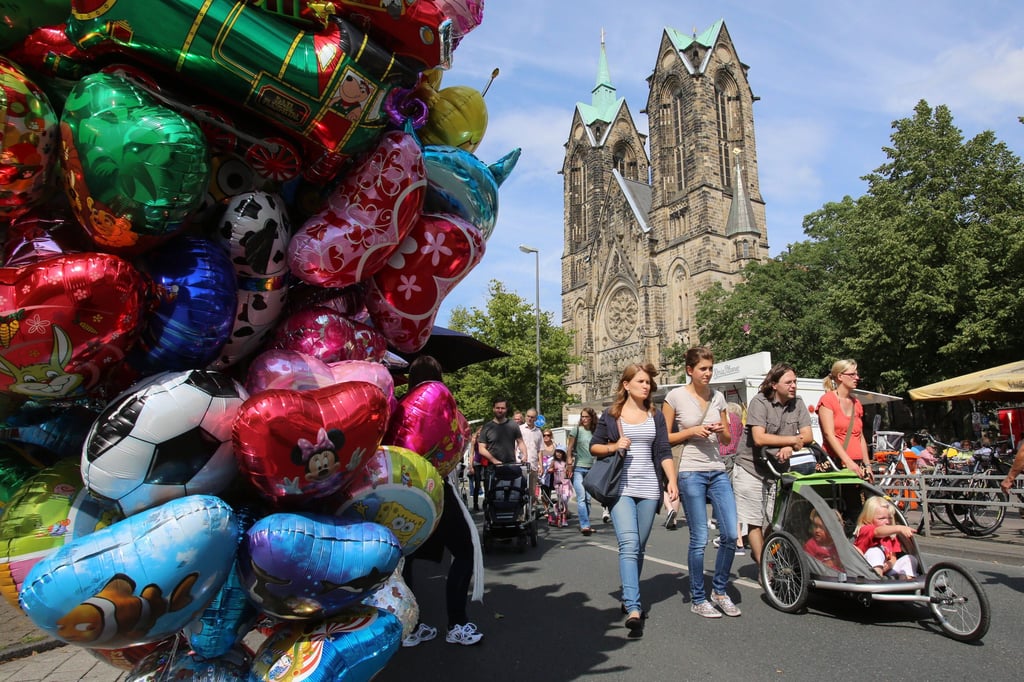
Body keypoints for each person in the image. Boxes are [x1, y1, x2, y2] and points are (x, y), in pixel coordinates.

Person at [400, 355, 484, 647]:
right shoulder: (439, 402)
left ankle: (410, 627)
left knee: (406, 559)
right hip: (436, 487)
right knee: (464, 550)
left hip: (403, 490)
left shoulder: (400, 407)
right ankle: (457, 623)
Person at [590, 362, 678, 632]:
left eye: (648, 382)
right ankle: (634, 606)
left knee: (638, 546)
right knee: (628, 544)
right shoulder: (611, 415)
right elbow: (595, 447)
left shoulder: (655, 415)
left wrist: (672, 481)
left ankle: (629, 594)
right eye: (640, 381)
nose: (646, 386)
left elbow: (663, 450)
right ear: (626, 385)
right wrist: (614, 446)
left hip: (649, 487)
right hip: (621, 487)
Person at [663, 347, 740, 618]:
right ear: (690, 370)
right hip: (690, 471)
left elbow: (728, 438)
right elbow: (664, 438)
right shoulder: (675, 397)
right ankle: (698, 598)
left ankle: (719, 591)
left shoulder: (718, 397)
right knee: (699, 538)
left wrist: (720, 431)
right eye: (702, 369)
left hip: (717, 469)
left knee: (731, 534)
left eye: (710, 368)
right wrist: (691, 431)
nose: (708, 373)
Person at [734, 363, 814, 569]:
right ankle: (764, 568)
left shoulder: (798, 403)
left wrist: (789, 445)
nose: (793, 386)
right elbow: (759, 438)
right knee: (754, 519)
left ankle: (762, 555)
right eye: (788, 382)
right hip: (751, 467)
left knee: (775, 519)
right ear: (774, 384)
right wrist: (791, 440)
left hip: (776, 470)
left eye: (795, 381)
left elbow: (808, 435)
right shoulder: (760, 402)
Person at [818, 359, 871, 480]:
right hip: (835, 464)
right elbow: (829, 434)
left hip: (857, 465)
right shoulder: (828, 400)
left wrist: (867, 465)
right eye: (852, 374)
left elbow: (860, 436)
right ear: (840, 376)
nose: (857, 378)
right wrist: (848, 461)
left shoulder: (856, 403)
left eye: (857, 374)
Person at [854, 496, 918, 578]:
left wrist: (889, 564)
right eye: (881, 518)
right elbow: (877, 531)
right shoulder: (866, 529)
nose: (887, 522)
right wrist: (898, 528)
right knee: (875, 551)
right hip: (866, 568)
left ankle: (905, 581)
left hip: (887, 569)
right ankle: (876, 579)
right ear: (868, 518)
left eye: (890, 518)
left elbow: (893, 557)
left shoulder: (890, 535)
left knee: (910, 559)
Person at [566, 407, 598, 535]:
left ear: (592, 418)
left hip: (592, 469)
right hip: (578, 468)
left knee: (588, 499)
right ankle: (585, 525)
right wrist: (569, 463)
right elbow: (569, 448)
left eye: (586, 417)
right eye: (582, 417)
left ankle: (586, 523)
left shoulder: (596, 431)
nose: (584, 419)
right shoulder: (576, 430)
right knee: (581, 497)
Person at [519, 408, 543, 506]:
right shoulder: (519, 429)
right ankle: (521, 511)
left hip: (533, 465)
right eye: (528, 416)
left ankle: (530, 510)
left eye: (532, 417)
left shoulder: (538, 432)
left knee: (532, 491)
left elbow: (540, 450)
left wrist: (541, 465)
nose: (529, 418)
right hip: (520, 464)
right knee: (520, 489)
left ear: (536, 419)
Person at [546, 446, 572, 527]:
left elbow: (570, 471)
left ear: (563, 454)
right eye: (557, 452)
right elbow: (549, 469)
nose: (559, 454)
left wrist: (568, 471)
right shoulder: (554, 462)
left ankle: (558, 508)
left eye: (561, 452)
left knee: (565, 499)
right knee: (561, 499)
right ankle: (562, 518)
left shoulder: (565, 462)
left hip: (566, 483)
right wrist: (552, 470)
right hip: (558, 483)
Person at [467, 426, 487, 512]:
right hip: (477, 463)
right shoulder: (474, 441)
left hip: (485, 463)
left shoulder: (487, 439)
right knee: (477, 484)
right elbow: (471, 453)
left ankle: (486, 503)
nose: (480, 433)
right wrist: (471, 465)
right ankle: (475, 504)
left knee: (487, 484)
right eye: (479, 432)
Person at [539, 428, 558, 515]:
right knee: (544, 491)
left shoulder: (555, 445)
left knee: (550, 489)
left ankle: (556, 506)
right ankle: (546, 509)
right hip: (543, 471)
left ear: (551, 436)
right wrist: (540, 467)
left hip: (552, 470)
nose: (546, 437)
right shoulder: (540, 445)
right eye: (544, 435)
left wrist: (552, 466)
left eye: (548, 435)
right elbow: (538, 457)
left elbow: (558, 457)